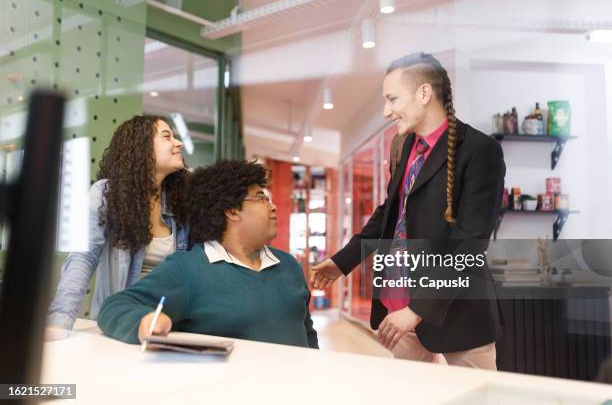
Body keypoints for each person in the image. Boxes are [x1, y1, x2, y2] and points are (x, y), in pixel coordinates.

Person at [311, 52, 505, 369]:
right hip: (396, 305)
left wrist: (417, 310)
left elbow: (469, 242)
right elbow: (391, 213)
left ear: (424, 93)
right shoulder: (402, 146)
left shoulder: (481, 151)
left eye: (392, 99)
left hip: (457, 313)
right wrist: (342, 262)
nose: (387, 111)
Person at [97, 160, 318, 349]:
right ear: (232, 211)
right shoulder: (188, 269)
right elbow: (115, 306)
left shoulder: (289, 265)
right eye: (261, 198)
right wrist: (145, 321)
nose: (273, 207)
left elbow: (307, 331)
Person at [47, 115, 189, 330]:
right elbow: (83, 258)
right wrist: (60, 322)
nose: (178, 143)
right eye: (167, 136)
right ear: (142, 147)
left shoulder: (183, 201)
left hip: (174, 325)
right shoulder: (107, 194)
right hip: (121, 323)